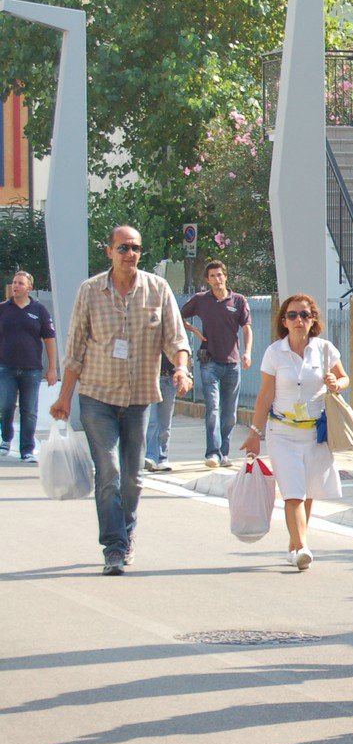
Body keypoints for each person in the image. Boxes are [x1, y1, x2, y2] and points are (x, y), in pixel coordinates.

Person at [51, 226, 192, 575]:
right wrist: (64, 399)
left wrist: (182, 369)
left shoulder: (157, 289)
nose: (131, 254)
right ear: (109, 252)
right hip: (97, 396)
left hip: (140, 397)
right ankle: (113, 547)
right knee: (109, 472)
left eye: (136, 249)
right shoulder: (90, 291)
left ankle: (127, 535)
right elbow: (75, 351)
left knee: (133, 477)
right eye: (124, 248)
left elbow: (176, 338)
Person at [241, 294, 349, 571]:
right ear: (284, 321)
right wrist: (255, 431)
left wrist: (336, 383)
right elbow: (265, 395)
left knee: (308, 491)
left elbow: (345, 378)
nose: (299, 320)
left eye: (304, 315)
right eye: (292, 315)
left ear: (313, 319)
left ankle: (296, 543)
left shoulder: (324, 349)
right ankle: (301, 546)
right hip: (282, 433)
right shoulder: (275, 353)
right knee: (293, 494)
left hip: (315, 434)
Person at [183, 259, 253, 468]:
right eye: (212, 276)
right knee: (212, 408)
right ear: (207, 280)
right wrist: (193, 330)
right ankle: (212, 453)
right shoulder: (201, 300)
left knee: (229, 413)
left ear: (226, 276)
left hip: (232, 363)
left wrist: (247, 353)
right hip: (209, 362)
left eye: (220, 275)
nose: (217, 279)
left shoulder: (238, 301)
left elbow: (247, 328)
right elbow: (176, 315)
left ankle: (224, 453)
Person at [0, 269, 58, 462]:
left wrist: (52, 368)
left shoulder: (39, 311)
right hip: (5, 367)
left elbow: (49, 339)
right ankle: (6, 439)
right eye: (14, 282)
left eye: (20, 283)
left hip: (31, 369)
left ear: (29, 288)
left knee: (29, 410)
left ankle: (27, 449)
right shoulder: (3, 308)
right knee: (6, 405)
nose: (15, 286)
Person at [142, 355, 177, 473]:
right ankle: (151, 456)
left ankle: (163, 457)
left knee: (165, 422)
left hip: (169, 377)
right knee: (152, 421)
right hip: (150, 377)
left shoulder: (172, 336)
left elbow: (182, 351)